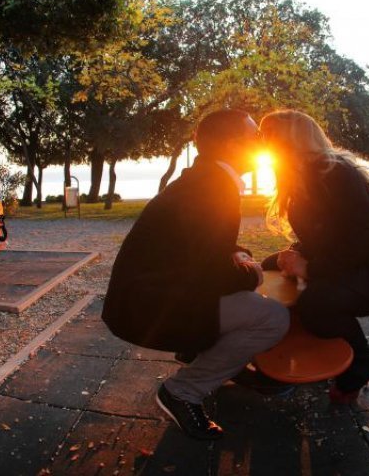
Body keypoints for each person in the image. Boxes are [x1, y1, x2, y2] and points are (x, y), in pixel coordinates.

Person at [102, 109, 290, 440]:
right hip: (150, 310)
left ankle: (225, 363)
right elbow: (210, 272)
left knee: (247, 298)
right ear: (232, 144)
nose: (262, 143)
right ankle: (182, 392)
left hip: (149, 299)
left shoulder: (204, 180)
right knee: (272, 317)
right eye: (255, 136)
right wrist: (252, 275)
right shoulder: (212, 188)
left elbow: (198, 245)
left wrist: (237, 254)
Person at [259, 110, 369, 403]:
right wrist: (296, 252)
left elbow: (362, 242)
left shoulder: (335, 172)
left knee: (317, 302)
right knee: (271, 265)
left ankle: (361, 363)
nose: (264, 143)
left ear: (292, 140)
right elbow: (326, 233)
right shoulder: (299, 176)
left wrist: (310, 268)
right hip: (351, 258)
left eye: (270, 136)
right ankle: (304, 346)